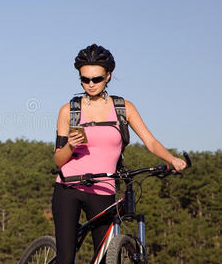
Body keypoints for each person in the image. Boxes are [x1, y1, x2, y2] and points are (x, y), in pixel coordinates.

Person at [52, 44, 187, 264]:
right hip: (68, 187)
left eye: (97, 79)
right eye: (85, 79)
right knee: (66, 259)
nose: (91, 84)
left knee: (104, 258)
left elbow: (151, 142)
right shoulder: (69, 110)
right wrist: (70, 146)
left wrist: (171, 159)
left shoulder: (123, 108)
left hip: (104, 189)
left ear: (108, 76)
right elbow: (58, 159)